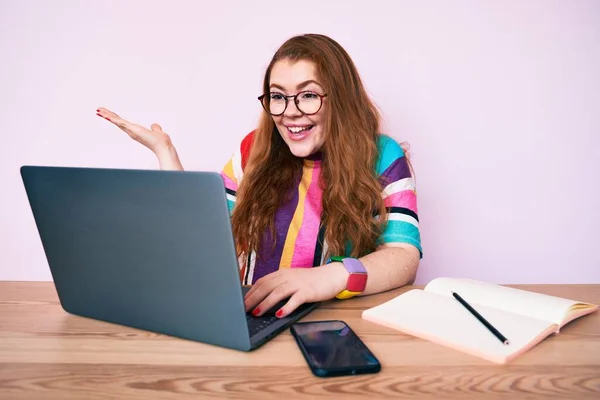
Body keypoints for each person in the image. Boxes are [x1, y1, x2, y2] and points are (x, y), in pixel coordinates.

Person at [96, 33, 422, 320]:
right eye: (278, 96)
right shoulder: (253, 150)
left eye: (308, 95)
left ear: (340, 99)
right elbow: (202, 239)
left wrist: (327, 278)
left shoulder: (381, 156)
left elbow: (403, 257)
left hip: (329, 326)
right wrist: (166, 153)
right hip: (251, 319)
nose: (290, 111)